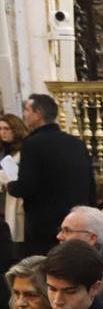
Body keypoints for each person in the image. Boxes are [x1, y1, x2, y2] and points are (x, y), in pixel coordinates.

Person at [4, 94, 94, 256]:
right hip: (77, 220)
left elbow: (26, 186)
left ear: (38, 114)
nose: (24, 114)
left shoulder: (33, 143)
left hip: (44, 223)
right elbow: (90, 183)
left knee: (46, 268)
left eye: (27, 110)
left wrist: (10, 185)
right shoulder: (76, 143)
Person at [0, 113, 29, 247]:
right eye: (0, 129)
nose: (2, 133)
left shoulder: (24, 150)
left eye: (6, 129)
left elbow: (17, 175)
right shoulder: (4, 150)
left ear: (15, 129)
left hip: (16, 198)